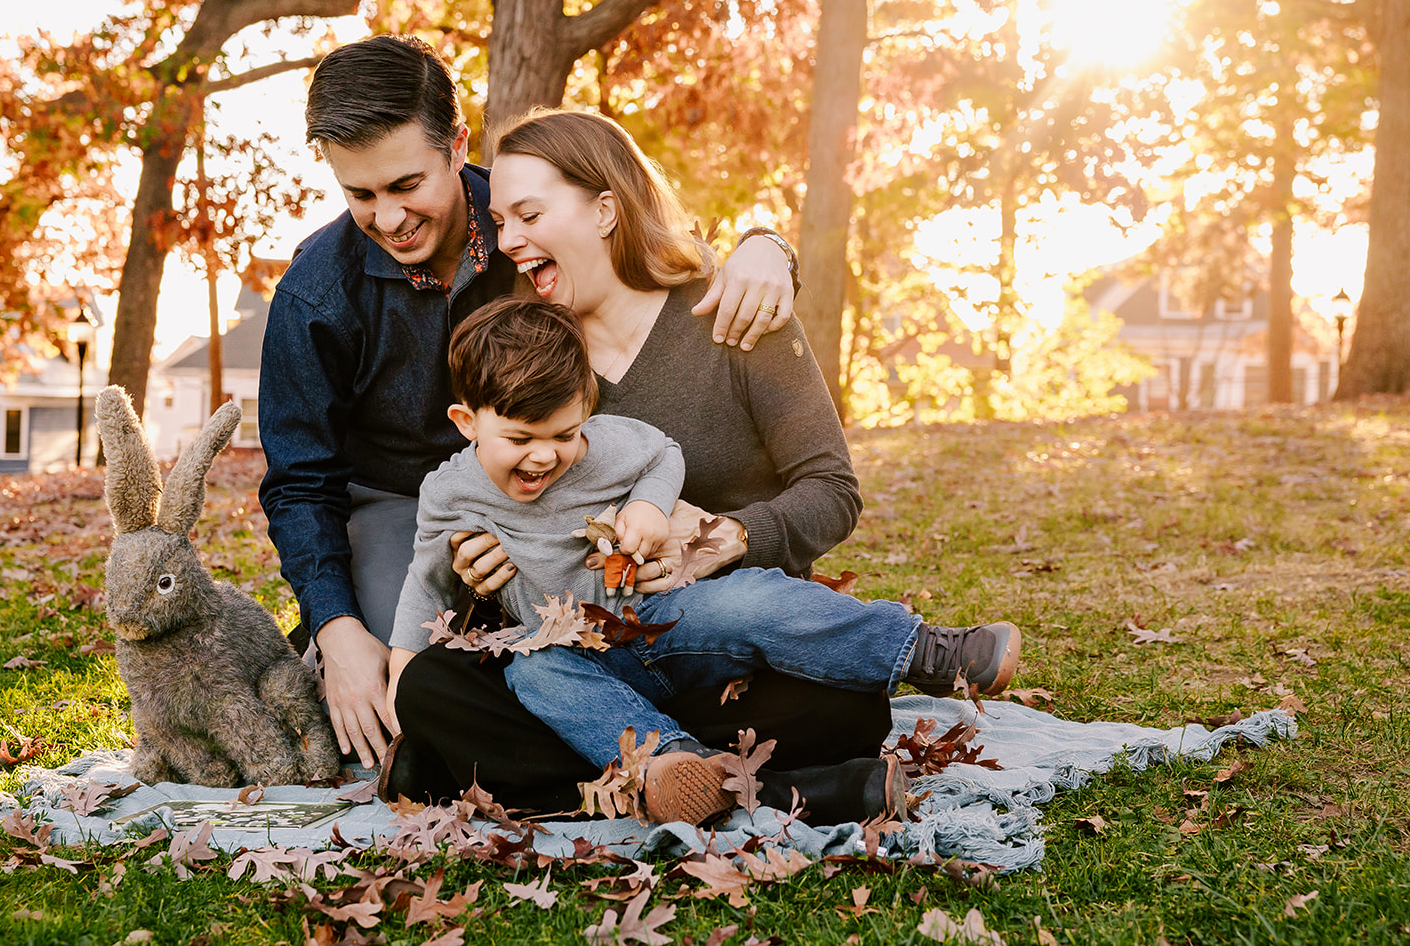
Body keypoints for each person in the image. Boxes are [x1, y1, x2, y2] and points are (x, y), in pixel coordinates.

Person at [390, 109, 1022, 815]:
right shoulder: (530, 347)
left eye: (529, 214)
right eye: (501, 222)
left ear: (604, 208)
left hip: (735, 647)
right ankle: (749, 788)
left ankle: (592, 779)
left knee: (844, 710)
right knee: (441, 686)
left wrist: (723, 540)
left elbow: (834, 490)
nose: (510, 242)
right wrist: (476, 574)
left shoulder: (736, 308)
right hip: (589, 658)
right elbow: (488, 505)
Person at [258, 36, 802, 770]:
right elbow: (299, 483)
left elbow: (649, 237)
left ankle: (606, 739)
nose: (389, 219)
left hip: (559, 483)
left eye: (406, 184)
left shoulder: (531, 216)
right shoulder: (315, 296)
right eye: (361, 195)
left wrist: (768, 244)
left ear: (456, 146)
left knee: (614, 631)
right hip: (403, 502)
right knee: (397, 673)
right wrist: (336, 626)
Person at [388, 296, 930, 825]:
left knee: (851, 704)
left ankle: (654, 776)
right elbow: (426, 582)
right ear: (466, 421)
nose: (545, 454)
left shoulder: (713, 327)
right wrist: (413, 652)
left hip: (679, 636)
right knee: (458, 683)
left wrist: (690, 521)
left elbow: (821, 489)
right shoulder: (456, 485)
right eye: (521, 438)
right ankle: (736, 782)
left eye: (563, 435)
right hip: (572, 669)